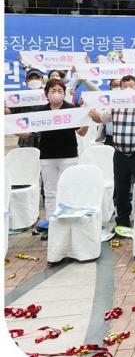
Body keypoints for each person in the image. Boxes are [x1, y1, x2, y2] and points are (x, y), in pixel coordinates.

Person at [16, 79, 88, 240]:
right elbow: (27, 133)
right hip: (47, 156)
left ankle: (71, 225)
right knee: (50, 192)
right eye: (53, 91)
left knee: (69, 189)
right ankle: (52, 225)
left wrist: (86, 121)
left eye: (60, 91)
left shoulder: (71, 109)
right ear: (46, 94)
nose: (56, 94)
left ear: (64, 93)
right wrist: (10, 127)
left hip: (69, 155)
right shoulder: (40, 112)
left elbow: (81, 132)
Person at [88, 75, 135, 231]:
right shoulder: (115, 105)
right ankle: (122, 223)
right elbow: (100, 118)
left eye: (131, 85)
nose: (128, 88)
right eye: (124, 86)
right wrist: (92, 112)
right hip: (120, 154)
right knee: (121, 189)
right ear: (120, 89)